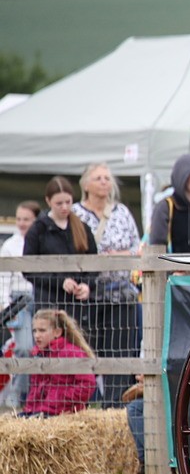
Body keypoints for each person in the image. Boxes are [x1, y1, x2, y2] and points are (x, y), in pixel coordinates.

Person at [73, 162, 142, 408]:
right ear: (86, 184)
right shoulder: (76, 214)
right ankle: (87, 406)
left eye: (107, 178)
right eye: (98, 178)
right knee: (87, 352)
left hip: (121, 295)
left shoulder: (121, 212)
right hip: (86, 295)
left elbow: (137, 246)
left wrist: (120, 255)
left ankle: (115, 408)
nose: (104, 182)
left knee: (120, 354)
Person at [23, 176, 97, 337]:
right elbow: (28, 270)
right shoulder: (38, 230)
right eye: (59, 203)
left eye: (68, 202)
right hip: (48, 305)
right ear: (48, 201)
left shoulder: (83, 228)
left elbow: (94, 264)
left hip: (79, 307)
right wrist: (59, 281)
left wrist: (87, 285)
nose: (64, 207)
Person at [0, 201, 41, 409]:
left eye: (26, 219)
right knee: (24, 347)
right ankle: (19, 397)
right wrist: (6, 305)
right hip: (18, 301)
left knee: (41, 349)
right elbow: (3, 276)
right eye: (19, 219)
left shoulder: (40, 241)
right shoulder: (10, 245)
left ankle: (37, 396)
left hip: (41, 298)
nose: (22, 223)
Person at [19, 308, 97, 417]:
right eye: (34, 330)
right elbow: (35, 388)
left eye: (42, 330)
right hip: (39, 410)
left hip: (60, 412)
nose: (37, 335)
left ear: (57, 332)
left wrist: (61, 399)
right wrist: (29, 408)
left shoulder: (72, 352)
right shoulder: (38, 354)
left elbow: (88, 384)